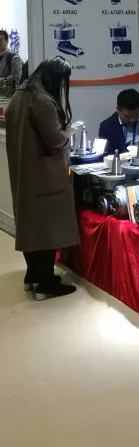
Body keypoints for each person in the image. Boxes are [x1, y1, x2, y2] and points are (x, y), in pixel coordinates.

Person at [5, 57, 79, 299]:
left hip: (24, 172)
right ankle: (47, 283)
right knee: (48, 229)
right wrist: (68, 131)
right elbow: (55, 139)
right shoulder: (43, 101)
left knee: (30, 227)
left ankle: (33, 274)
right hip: (45, 176)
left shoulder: (19, 95)